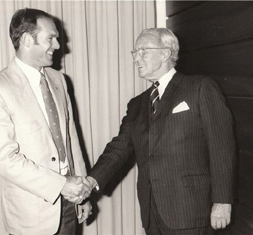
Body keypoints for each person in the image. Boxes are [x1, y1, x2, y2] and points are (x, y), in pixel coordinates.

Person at [86, 28, 236, 235]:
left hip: (190, 211)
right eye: (134, 53)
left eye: (143, 51)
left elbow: (222, 148)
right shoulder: (137, 104)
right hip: (152, 212)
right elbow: (118, 149)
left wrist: (222, 201)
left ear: (165, 53)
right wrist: (90, 182)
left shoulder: (200, 87)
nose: (136, 58)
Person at [0, 8, 91, 235]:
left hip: (70, 204)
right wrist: (61, 185)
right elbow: (4, 159)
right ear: (28, 39)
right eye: (51, 38)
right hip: (31, 216)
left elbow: (71, 139)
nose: (58, 46)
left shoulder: (59, 79)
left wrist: (83, 192)